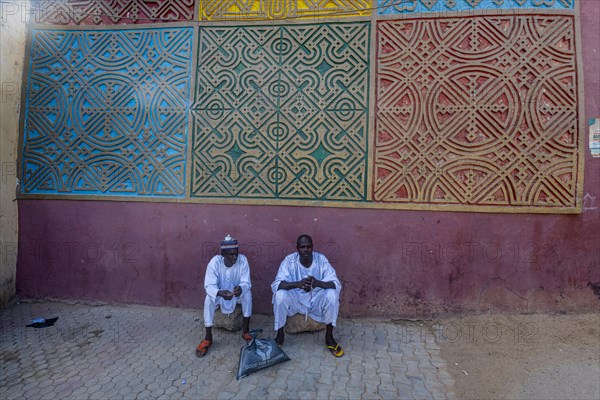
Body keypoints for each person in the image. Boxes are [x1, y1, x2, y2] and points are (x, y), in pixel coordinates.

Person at [271, 234, 344, 357]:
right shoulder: (289, 260)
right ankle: (279, 335)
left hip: (315, 299)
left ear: (312, 247)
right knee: (280, 295)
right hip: (296, 300)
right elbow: (277, 284)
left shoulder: (321, 260)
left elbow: (335, 283)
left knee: (332, 294)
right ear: (297, 248)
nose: (305, 250)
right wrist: (297, 284)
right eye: (302, 247)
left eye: (308, 247)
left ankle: (329, 337)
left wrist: (317, 283)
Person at [196, 234, 252, 357]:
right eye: (231, 254)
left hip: (236, 295)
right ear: (223, 254)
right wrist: (220, 293)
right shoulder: (215, 262)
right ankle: (208, 338)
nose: (235, 257)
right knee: (208, 300)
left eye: (236, 253)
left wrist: (241, 288)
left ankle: (246, 331)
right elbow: (209, 286)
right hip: (221, 294)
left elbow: (246, 282)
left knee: (247, 294)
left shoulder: (243, 260)